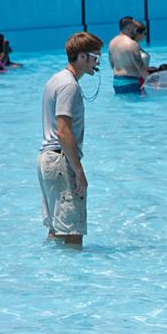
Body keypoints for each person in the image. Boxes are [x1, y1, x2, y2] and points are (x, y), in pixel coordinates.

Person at [39, 32, 103, 247]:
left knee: (56, 231)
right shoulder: (69, 86)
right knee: (73, 232)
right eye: (96, 58)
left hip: (47, 160)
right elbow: (64, 131)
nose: (97, 63)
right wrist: (79, 170)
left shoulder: (55, 79)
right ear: (82, 57)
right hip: (60, 160)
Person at [110, 17, 150, 95]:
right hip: (130, 82)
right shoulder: (132, 44)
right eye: (134, 27)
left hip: (116, 82)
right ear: (129, 28)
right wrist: (150, 82)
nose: (136, 29)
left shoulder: (112, 42)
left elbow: (112, 64)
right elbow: (140, 67)